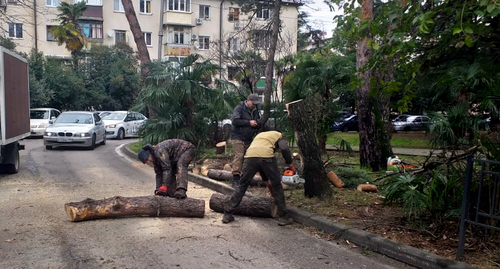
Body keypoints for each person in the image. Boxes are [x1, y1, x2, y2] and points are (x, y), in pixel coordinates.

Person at [222, 131, 297, 226]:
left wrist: (268, 183)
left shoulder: (261, 136)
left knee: (242, 185)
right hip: (267, 157)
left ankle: (227, 213)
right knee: (277, 185)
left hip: (250, 157)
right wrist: (289, 162)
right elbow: (284, 147)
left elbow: (260, 164)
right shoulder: (280, 136)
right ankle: (283, 217)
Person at [230, 93, 261, 187]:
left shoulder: (255, 110)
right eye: (253, 103)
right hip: (237, 136)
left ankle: (245, 178)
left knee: (249, 158)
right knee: (239, 156)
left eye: (255, 103)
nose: (254, 105)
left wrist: (257, 124)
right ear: (248, 100)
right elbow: (235, 121)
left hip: (249, 137)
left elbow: (257, 120)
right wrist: (249, 123)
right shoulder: (239, 108)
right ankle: (235, 178)